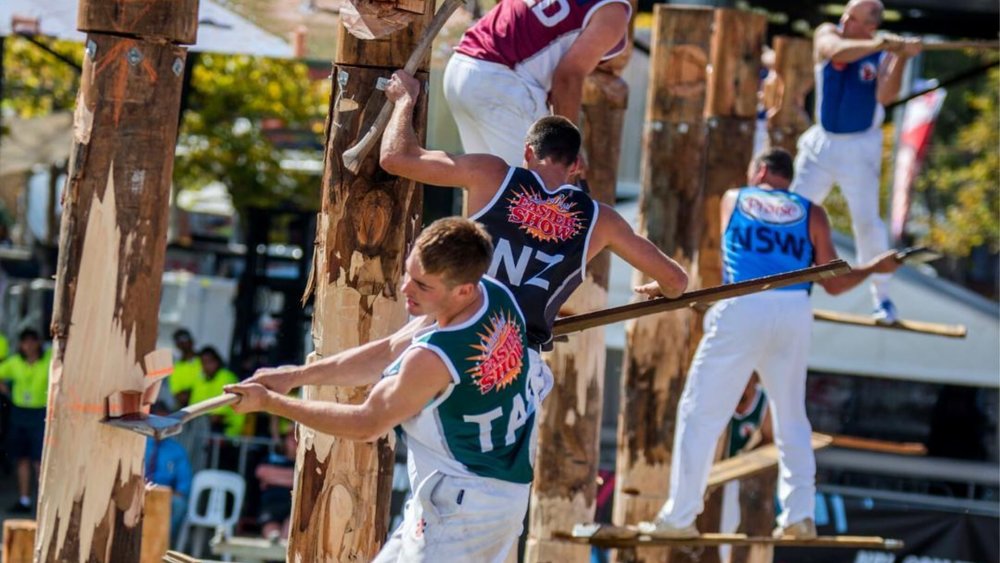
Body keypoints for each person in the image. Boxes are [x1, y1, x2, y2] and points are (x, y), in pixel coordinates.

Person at [226, 218, 536, 562]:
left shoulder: (433, 359)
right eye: (408, 272)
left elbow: (367, 424)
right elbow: (388, 350)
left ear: (462, 289)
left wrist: (272, 403)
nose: (406, 288)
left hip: (466, 504)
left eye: (422, 285)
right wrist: (296, 377)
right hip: (474, 491)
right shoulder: (494, 294)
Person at [637, 149, 902, 539]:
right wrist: (875, 267)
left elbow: (731, 260)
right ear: (787, 178)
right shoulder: (812, 212)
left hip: (743, 303)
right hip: (795, 311)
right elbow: (834, 282)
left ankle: (680, 518)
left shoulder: (735, 198)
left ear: (760, 170)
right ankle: (799, 516)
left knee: (700, 413)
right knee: (791, 417)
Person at [380, 70, 688, 401]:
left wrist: (404, 100)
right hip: (513, 363)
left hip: (452, 341)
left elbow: (396, 158)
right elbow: (676, 281)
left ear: (528, 153)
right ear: (575, 167)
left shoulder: (491, 175)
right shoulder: (602, 221)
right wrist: (662, 287)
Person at [790, 0, 921, 323]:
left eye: (854, 18)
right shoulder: (829, 32)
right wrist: (879, 44)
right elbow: (835, 51)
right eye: (847, 14)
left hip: (860, 147)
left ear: (870, 25)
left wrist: (901, 56)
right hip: (822, 143)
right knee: (794, 209)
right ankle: (778, 277)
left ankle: (883, 297)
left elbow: (886, 95)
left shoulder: (882, 49)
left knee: (866, 222)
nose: (844, 20)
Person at [443, 0, 632, 164]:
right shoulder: (612, 12)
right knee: (532, 192)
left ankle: (414, 159)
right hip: (502, 82)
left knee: (488, 189)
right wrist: (568, 148)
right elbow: (567, 78)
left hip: (462, 66)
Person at [0, 328, 51, 513]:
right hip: (20, 414)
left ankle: (43, 502)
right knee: (22, 459)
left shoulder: (48, 360)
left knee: (39, 460)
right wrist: (5, 389)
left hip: (40, 414)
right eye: (25, 342)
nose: (29, 346)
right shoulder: (15, 363)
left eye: (32, 341)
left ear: (38, 343)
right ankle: (24, 499)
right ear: (21, 344)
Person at [144, 404, 194, 544]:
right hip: (139, 490)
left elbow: (184, 483)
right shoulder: (139, 442)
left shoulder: (177, 451)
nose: (160, 425)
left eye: (164, 422)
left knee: (178, 504)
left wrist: (175, 493)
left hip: (166, 494)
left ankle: (163, 544)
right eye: (157, 421)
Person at [188, 347, 244, 438]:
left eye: (210, 362)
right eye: (203, 363)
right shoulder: (201, 380)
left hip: (228, 434)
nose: (206, 366)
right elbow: (192, 408)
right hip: (205, 432)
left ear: (217, 361)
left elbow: (218, 417)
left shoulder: (226, 377)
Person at [255, 426, 297, 541]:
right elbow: (261, 472)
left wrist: (273, 478)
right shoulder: (272, 458)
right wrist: (292, 479)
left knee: (289, 532)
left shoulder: (306, 461)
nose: (294, 439)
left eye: (297, 436)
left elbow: (305, 479)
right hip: (271, 504)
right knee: (272, 535)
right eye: (290, 436)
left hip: (294, 506)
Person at [167, 329, 201, 408]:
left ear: (192, 340)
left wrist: (189, 392)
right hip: (185, 408)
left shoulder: (205, 359)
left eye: (185, 338)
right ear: (177, 345)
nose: (183, 342)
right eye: (179, 340)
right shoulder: (176, 367)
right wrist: (194, 391)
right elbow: (180, 396)